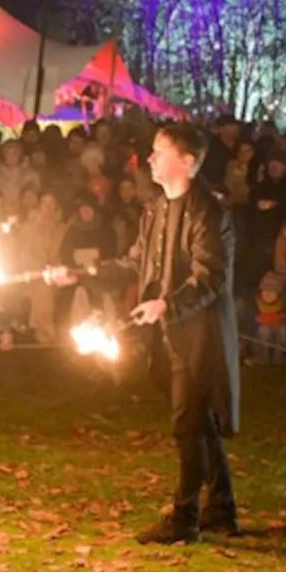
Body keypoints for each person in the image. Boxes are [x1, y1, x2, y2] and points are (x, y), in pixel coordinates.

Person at [51, 123, 241, 544]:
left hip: (197, 336)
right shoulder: (156, 207)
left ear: (187, 162)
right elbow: (136, 262)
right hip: (167, 334)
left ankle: (185, 516)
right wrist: (81, 274)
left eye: (159, 151)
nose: (149, 159)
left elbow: (210, 276)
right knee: (197, 421)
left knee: (187, 423)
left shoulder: (209, 212)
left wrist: (167, 305)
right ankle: (222, 507)